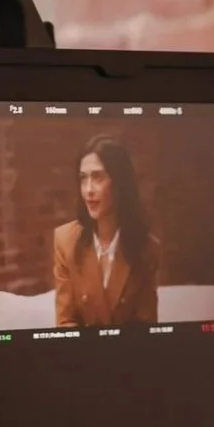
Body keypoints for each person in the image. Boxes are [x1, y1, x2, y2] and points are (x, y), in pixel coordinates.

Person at [53, 135, 161, 328]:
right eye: (83, 178)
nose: (88, 190)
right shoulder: (65, 241)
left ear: (120, 183)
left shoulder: (146, 248)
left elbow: (146, 328)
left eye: (97, 177)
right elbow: (66, 322)